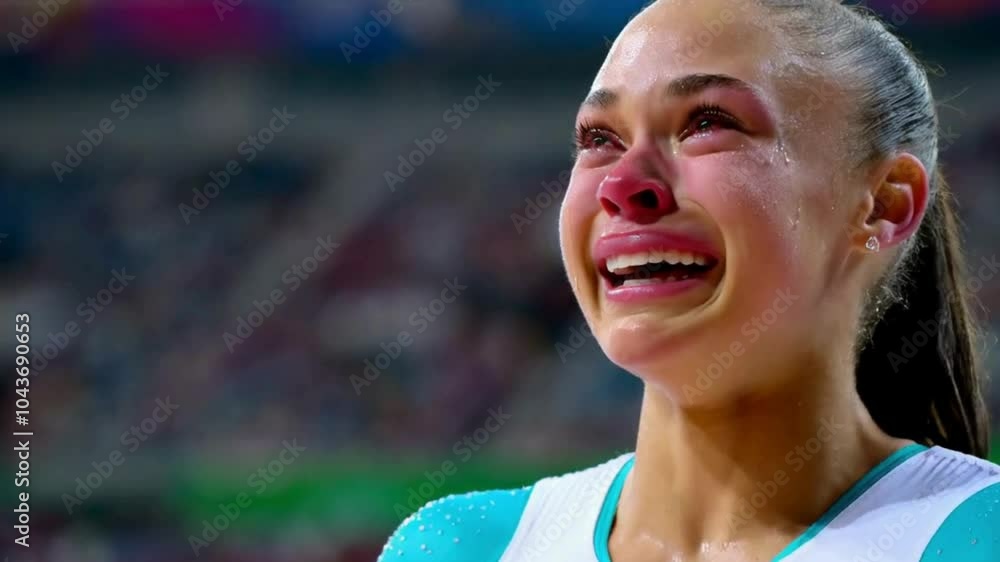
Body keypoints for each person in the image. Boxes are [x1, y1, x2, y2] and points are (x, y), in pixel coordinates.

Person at [377, 1, 1000, 560]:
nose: (623, 186)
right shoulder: (462, 547)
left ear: (883, 205)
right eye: (600, 139)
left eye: (707, 123)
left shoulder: (974, 535)